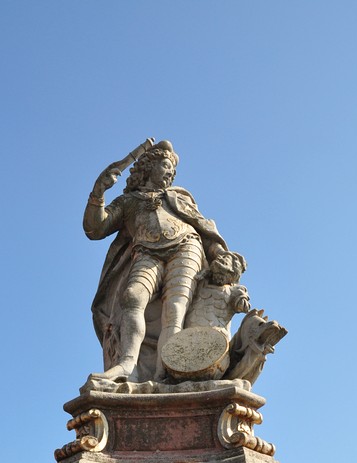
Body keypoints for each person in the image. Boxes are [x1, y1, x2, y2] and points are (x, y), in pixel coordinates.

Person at [84, 139, 240, 382]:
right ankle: (127, 365)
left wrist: (219, 255)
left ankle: (166, 370)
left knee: (176, 306)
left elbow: (201, 226)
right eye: (166, 165)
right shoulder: (129, 201)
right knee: (132, 297)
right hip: (146, 251)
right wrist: (98, 192)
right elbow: (95, 228)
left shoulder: (179, 197)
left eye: (172, 169)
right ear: (148, 167)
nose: (170, 172)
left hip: (186, 245)